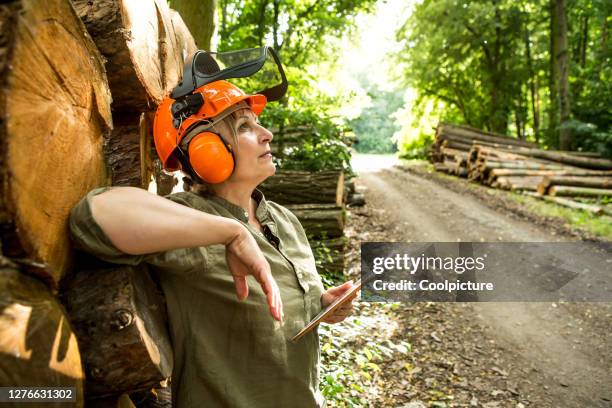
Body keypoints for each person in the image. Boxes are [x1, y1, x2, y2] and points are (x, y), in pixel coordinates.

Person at [68, 78, 357, 407]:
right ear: (207, 149)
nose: (267, 134)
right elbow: (91, 216)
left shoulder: (284, 220)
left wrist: (322, 304)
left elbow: (282, 310)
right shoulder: (192, 221)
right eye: (245, 126)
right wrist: (229, 232)